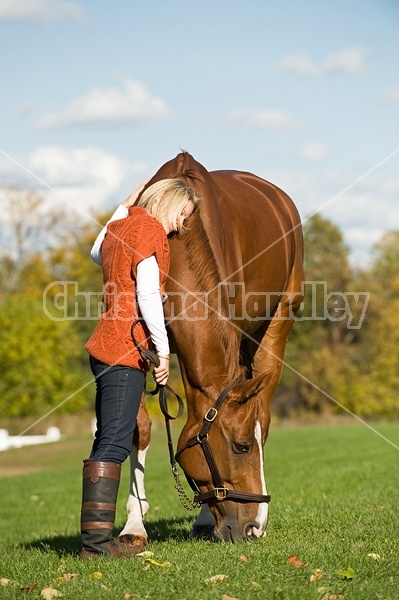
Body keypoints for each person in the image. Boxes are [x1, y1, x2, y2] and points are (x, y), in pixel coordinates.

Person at [81, 178, 201, 559]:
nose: (183, 223)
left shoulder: (121, 227)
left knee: (108, 438)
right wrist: (163, 352)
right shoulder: (150, 232)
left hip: (102, 347)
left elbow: (95, 252)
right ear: (170, 204)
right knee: (115, 442)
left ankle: (96, 543)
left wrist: (123, 205)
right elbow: (148, 295)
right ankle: (96, 548)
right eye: (184, 213)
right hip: (124, 350)